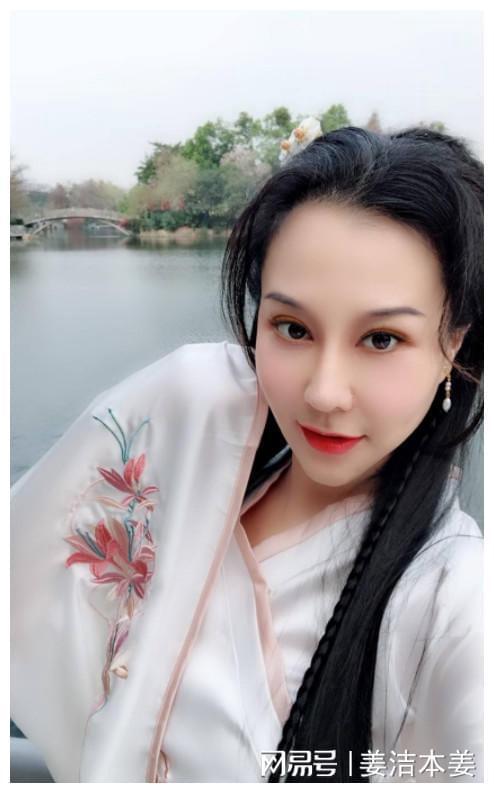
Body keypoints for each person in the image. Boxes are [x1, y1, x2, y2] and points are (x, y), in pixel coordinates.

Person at [11, 122, 483, 783]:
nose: (324, 392)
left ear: (453, 343)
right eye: (292, 328)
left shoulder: (453, 600)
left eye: (381, 340)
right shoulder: (192, 414)